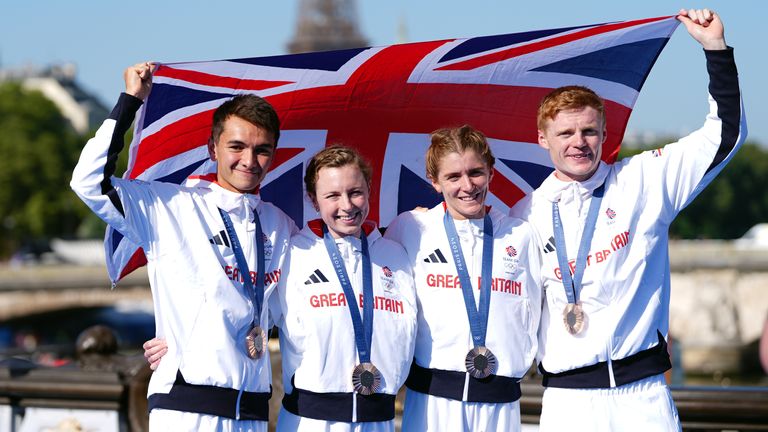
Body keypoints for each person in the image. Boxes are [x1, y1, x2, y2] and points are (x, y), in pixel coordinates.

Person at [509, 9, 747, 431]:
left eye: (589, 131)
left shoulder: (643, 180)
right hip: (568, 403)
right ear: (542, 138)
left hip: (643, 397)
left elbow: (725, 135)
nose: (579, 143)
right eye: (565, 134)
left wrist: (715, 50)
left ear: (605, 133)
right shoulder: (525, 215)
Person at [71, 62, 297, 431]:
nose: (249, 161)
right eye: (236, 147)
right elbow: (89, 182)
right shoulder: (170, 206)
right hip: (186, 409)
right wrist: (130, 101)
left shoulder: (279, 225)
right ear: (213, 148)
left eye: (262, 150)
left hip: (252, 413)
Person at [384, 125, 543, 431]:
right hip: (433, 403)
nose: (467, 185)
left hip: (500, 403)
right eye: (453, 177)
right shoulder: (410, 228)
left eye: (476, 173)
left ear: (491, 172)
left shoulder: (521, 234)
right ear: (434, 181)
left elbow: (536, 308)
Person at [274, 146, 417, 431]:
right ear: (314, 199)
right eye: (332, 196)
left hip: (379, 420)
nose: (347, 205)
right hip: (311, 422)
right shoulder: (293, 253)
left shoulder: (396, 255)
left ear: (369, 190)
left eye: (355, 192)